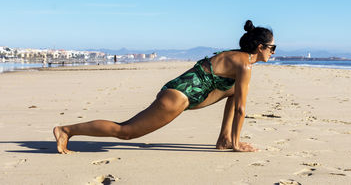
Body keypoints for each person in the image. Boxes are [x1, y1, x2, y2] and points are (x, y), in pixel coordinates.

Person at [53, 20, 276, 153]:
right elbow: (241, 110)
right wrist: (238, 145)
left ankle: (225, 139)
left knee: (234, 91)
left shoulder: (240, 59)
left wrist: (231, 140)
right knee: (127, 131)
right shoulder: (244, 65)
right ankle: (67, 130)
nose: (273, 52)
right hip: (178, 96)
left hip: (187, 93)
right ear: (260, 47)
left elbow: (235, 99)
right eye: (271, 48)